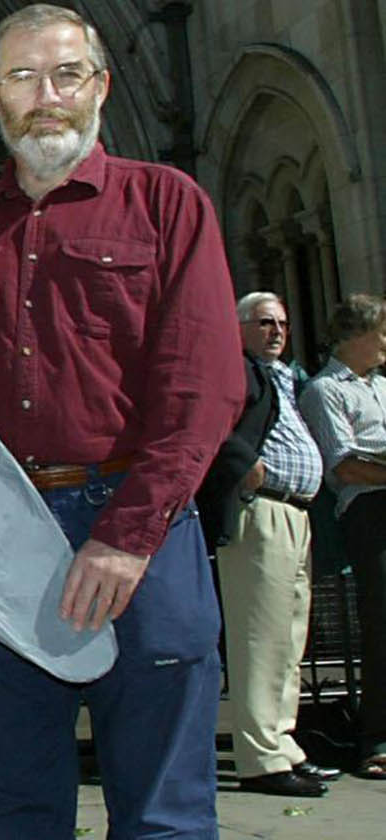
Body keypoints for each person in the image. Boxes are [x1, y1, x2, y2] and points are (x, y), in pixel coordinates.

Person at [0, 3, 243, 837]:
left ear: (101, 86)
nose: (46, 96)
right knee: (12, 810)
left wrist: (127, 536)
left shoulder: (167, 204)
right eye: (22, 77)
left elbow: (201, 386)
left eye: (66, 74)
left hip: (138, 531)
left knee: (164, 815)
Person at [197, 291, 335, 796]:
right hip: (262, 511)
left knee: (289, 638)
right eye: (264, 322)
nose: (276, 331)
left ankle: (283, 744)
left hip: (296, 512)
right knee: (260, 637)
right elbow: (208, 418)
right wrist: (244, 465)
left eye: (281, 323)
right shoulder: (235, 370)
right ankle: (260, 758)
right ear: (238, 329)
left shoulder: (286, 377)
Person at [298, 293, 386, 782]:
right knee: (381, 620)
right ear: (357, 334)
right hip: (370, 510)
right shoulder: (325, 390)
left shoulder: (382, 387)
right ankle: (378, 737)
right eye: (382, 331)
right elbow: (345, 465)